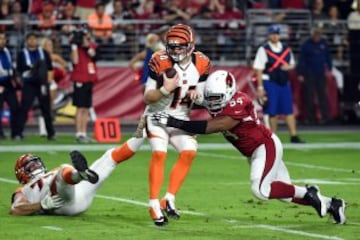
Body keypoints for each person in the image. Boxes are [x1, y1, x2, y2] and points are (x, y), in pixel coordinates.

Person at [151, 70, 346, 225]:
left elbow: (212, 126)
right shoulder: (216, 98)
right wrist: (175, 94)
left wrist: (172, 121)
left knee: (260, 190)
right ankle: (333, 204)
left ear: (229, 92)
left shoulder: (239, 101)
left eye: (217, 97)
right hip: (253, 152)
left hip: (265, 146)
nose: (213, 101)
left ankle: (312, 193)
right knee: (285, 195)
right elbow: (194, 98)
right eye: (211, 97)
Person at [114, 24, 210, 226]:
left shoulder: (201, 62)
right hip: (157, 115)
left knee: (190, 151)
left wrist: (198, 96)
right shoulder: (159, 60)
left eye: (179, 46)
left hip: (180, 117)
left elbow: (201, 97)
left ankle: (169, 198)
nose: (175, 51)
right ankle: (153, 203)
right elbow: (148, 97)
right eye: (172, 46)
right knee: (159, 152)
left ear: (190, 46)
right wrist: (166, 90)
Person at [10, 146, 131, 216]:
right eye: (31, 166)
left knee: (109, 156)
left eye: (37, 163)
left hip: (78, 193)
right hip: (63, 204)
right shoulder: (23, 190)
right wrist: (40, 205)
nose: (36, 167)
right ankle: (78, 175)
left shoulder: (46, 175)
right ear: (22, 173)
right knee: (62, 169)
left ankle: (141, 132)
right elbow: (16, 208)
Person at [253, 25, 304, 144]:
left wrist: (289, 67)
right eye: (272, 34)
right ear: (269, 35)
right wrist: (260, 87)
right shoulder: (264, 49)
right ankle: (273, 137)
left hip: (284, 82)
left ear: (279, 35)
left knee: (289, 110)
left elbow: (292, 64)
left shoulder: (286, 49)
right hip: (270, 82)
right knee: (272, 111)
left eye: (277, 34)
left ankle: (294, 135)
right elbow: (258, 68)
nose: (275, 36)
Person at [16, 32, 56, 141]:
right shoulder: (22, 53)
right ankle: (18, 133)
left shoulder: (43, 52)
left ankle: (51, 134)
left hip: (42, 84)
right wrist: (33, 68)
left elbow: (50, 68)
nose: (32, 41)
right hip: (29, 84)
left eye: (34, 39)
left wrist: (48, 81)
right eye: (30, 39)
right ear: (27, 41)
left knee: (46, 109)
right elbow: (19, 69)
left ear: (37, 40)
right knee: (24, 108)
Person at [297, 27, 332, 125]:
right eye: (315, 34)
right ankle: (310, 118)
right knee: (309, 96)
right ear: (312, 35)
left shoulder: (323, 43)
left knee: (322, 96)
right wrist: (300, 73)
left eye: (318, 34)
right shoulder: (306, 45)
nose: (317, 36)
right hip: (309, 73)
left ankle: (325, 117)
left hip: (320, 73)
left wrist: (329, 68)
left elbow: (328, 57)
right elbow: (302, 60)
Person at [70, 28, 98, 143]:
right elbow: (75, 61)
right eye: (85, 38)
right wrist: (74, 46)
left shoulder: (89, 48)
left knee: (86, 108)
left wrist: (88, 45)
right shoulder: (76, 48)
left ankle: (84, 132)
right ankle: (78, 133)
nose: (87, 40)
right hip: (80, 80)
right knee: (80, 107)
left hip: (89, 80)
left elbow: (94, 55)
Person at [0, 31, 21, 140]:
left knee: (15, 107)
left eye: (3, 39)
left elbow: (10, 67)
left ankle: (16, 133)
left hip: (8, 83)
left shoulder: (6, 51)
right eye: (0, 39)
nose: (2, 41)